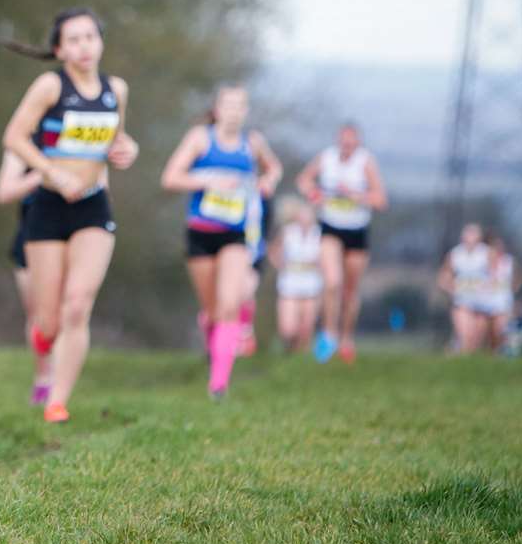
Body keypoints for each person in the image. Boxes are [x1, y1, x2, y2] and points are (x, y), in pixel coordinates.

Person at [0, 8, 138, 424]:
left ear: (101, 42)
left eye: (90, 37)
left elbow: (117, 139)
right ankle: (44, 344)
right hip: (48, 208)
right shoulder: (49, 86)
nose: (83, 46)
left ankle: (57, 400)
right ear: (59, 49)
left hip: (94, 207)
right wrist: (52, 173)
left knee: (78, 305)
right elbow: (14, 137)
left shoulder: (117, 89)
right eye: (73, 40)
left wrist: (127, 150)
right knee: (49, 321)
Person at [160, 85, 282, 399]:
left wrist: (267, 182)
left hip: (235, 234)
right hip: (201, 234)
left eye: (240, 105)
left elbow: (274, 168)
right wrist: (208, 180)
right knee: (213, 310)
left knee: (231, 304)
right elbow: (170, 177)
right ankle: (214, 343)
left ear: (246, 110)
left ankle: (218, 382)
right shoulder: (200, 138)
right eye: (228, 104)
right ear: (216, 108)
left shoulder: (252, 143)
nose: (234, 111)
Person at [295, 122, 388, 363]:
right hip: (330, 228)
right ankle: (328, 334)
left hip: (357, 231)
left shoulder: (365, 162)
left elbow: (380, 200)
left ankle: (347, 338)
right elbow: (303, 180)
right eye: (343, 140)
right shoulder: (325, 158)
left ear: (358, 142)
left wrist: (355, 196)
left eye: (351, 141)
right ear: (338, 141)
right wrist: (313, 193)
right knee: (332, 282)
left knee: (349, 291)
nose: (347, 145)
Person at [0, 152, 51, 405]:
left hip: (75, 233)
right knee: (38, 315)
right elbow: (4, 192)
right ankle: (44, 377)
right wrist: (47, 174)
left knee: (70, 308)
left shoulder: (84, 134)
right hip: (32, 234)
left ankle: (61, 380)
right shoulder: (23, 144)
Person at [267, 196, 323, 353]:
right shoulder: (288, 232)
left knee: (306, 326)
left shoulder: (320, 234)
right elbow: (273, 251)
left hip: (312, 284)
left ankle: (301, 358)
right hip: (289, 283)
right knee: (287, 329)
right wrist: (279, 264)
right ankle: (290, 350)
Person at [438, 222, 492, 353]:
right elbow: (444, 276)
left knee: (476, 340)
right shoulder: (455, 254)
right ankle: (458, 353)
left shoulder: (487, 253)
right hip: (462, 300)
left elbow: (498, 275)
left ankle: (462, 358)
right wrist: (450, 288)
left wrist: (490, 288)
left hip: (482, 301)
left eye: (473, 234)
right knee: (465, 336)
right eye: (468, 234)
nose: (470, 237)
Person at [482, 231, 522, 353]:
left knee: (500, 329)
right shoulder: (482, 262)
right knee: (490, 333)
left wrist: (514, 289)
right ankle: (492, 353)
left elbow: (518, 276)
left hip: (503, 302)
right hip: (485, 302)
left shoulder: (508, 261)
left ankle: (499, 352)